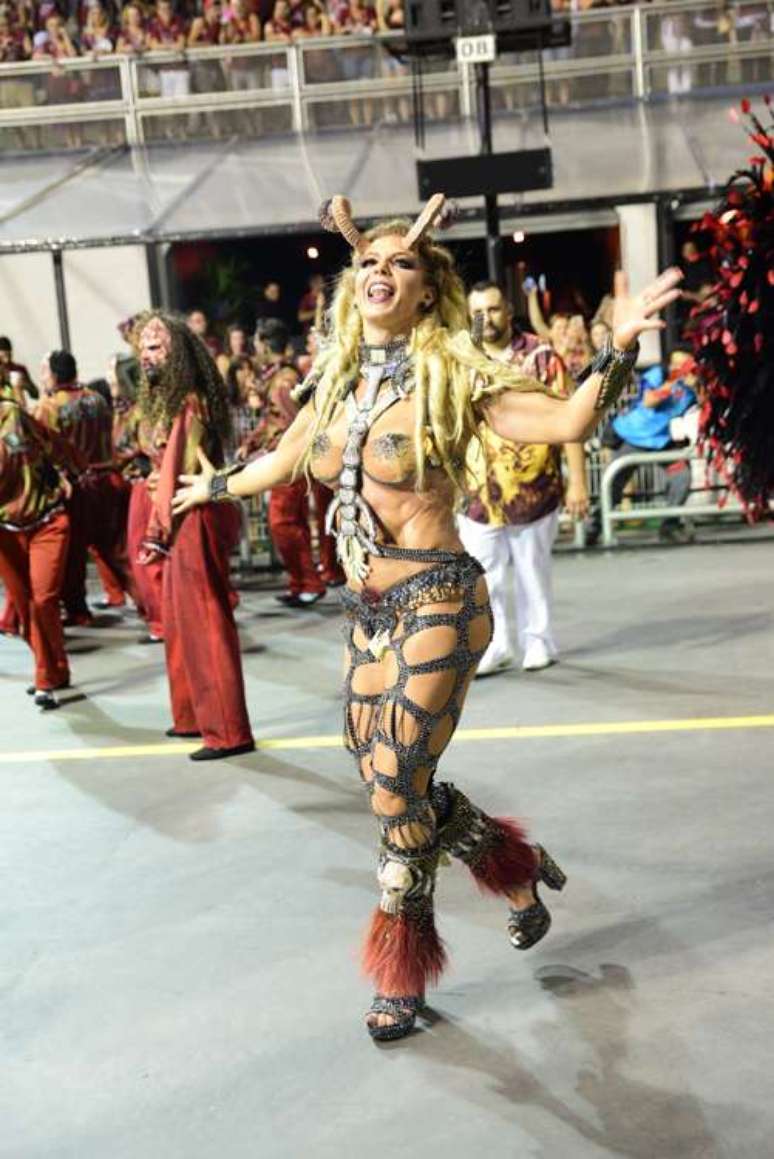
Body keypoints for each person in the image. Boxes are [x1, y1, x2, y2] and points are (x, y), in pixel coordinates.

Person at [173, 193, 682, 1040]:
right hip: (366, 606)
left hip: (442, 590)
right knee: (385, 779)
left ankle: (400, 968)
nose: (379, 269)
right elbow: (287, 455)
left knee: (398, 775)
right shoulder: (335, 381)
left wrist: (619, 347)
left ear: (426, 287)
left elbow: (564, 421)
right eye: (366, 259)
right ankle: (512, 865)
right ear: (350, 284)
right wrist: (215, 485)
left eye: (399, 260)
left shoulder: (456, 375)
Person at [132, 311, 254, 759]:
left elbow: (178, 469)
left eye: (157, 344)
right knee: (180, 621)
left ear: (179, 351)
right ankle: (190, 717)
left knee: (204, 621)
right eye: (144, 346)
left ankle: (227, 730)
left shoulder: (190, 400)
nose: (147, 353)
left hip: (192, 516)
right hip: (178, 513)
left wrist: (155, 528)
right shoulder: (169, 398)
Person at [458, 282, 589, 675]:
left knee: (533, 571)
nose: (487, 318)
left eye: (494, 309)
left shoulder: (542, 357)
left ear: (509, 310)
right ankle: (497, 645)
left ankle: (539, 640)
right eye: (478, 311)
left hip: (533, 487)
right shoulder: (463, 359)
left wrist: (578, 481)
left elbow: (570, 419)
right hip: (476, 492)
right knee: (485, 577)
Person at [36, 350, 136, 625]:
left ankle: (78, 612)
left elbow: (43, 449)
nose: (42, 377)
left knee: (74, 554)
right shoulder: (98, 399)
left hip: (79, 487)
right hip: (109, 480)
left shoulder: (49, 406)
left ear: (54, 375)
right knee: (118, 551)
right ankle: (153, 609)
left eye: (44, 371)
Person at [0, 381, 83, 710]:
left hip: (47, 519)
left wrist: (70, 473)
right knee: (23, 606)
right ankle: (55, 668)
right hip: (5, 532)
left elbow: (53, 443)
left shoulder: (13, 415)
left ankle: (44, 679)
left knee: (44, 598)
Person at [241, 318, 326, 606]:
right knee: (292, 521)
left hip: (287, 460)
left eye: (256, 342)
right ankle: (301, 583)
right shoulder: (278, 377)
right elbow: (272, 419)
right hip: (284, 457)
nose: (254, 347)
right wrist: (252, 441)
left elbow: (293, 422)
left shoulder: (282, 380)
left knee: (283, 522)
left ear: (265, 344)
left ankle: (309, 582)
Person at [584, 350, 698, 546]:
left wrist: (697, 387)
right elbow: (649, 400)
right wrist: (673, 380)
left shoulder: (690, 389)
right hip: (633, 436)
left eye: (686, 364)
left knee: (682, 476)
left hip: (662, 441)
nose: (682, 368)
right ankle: (594, 527)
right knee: (614, 483)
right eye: (677, 364)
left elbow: (698, 409)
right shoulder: (657, 374)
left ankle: (670, 525)